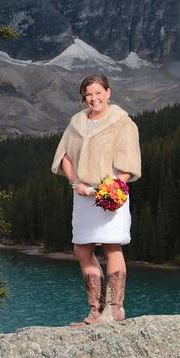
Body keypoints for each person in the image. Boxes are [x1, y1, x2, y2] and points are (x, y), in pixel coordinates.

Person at [50, 74, 141, 325]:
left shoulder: (122, 123)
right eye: (89, 94)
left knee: (112, 245)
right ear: (83, 97)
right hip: (82, 193)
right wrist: (75, 183)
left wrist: (113, 186)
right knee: (82, 248)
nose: (94, 98)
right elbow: (65, 156)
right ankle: (94, 310)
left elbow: (129, 163)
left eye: (98, 92)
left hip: (110, 191)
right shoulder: (76, 123)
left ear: (108, 93)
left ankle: (114, 310)